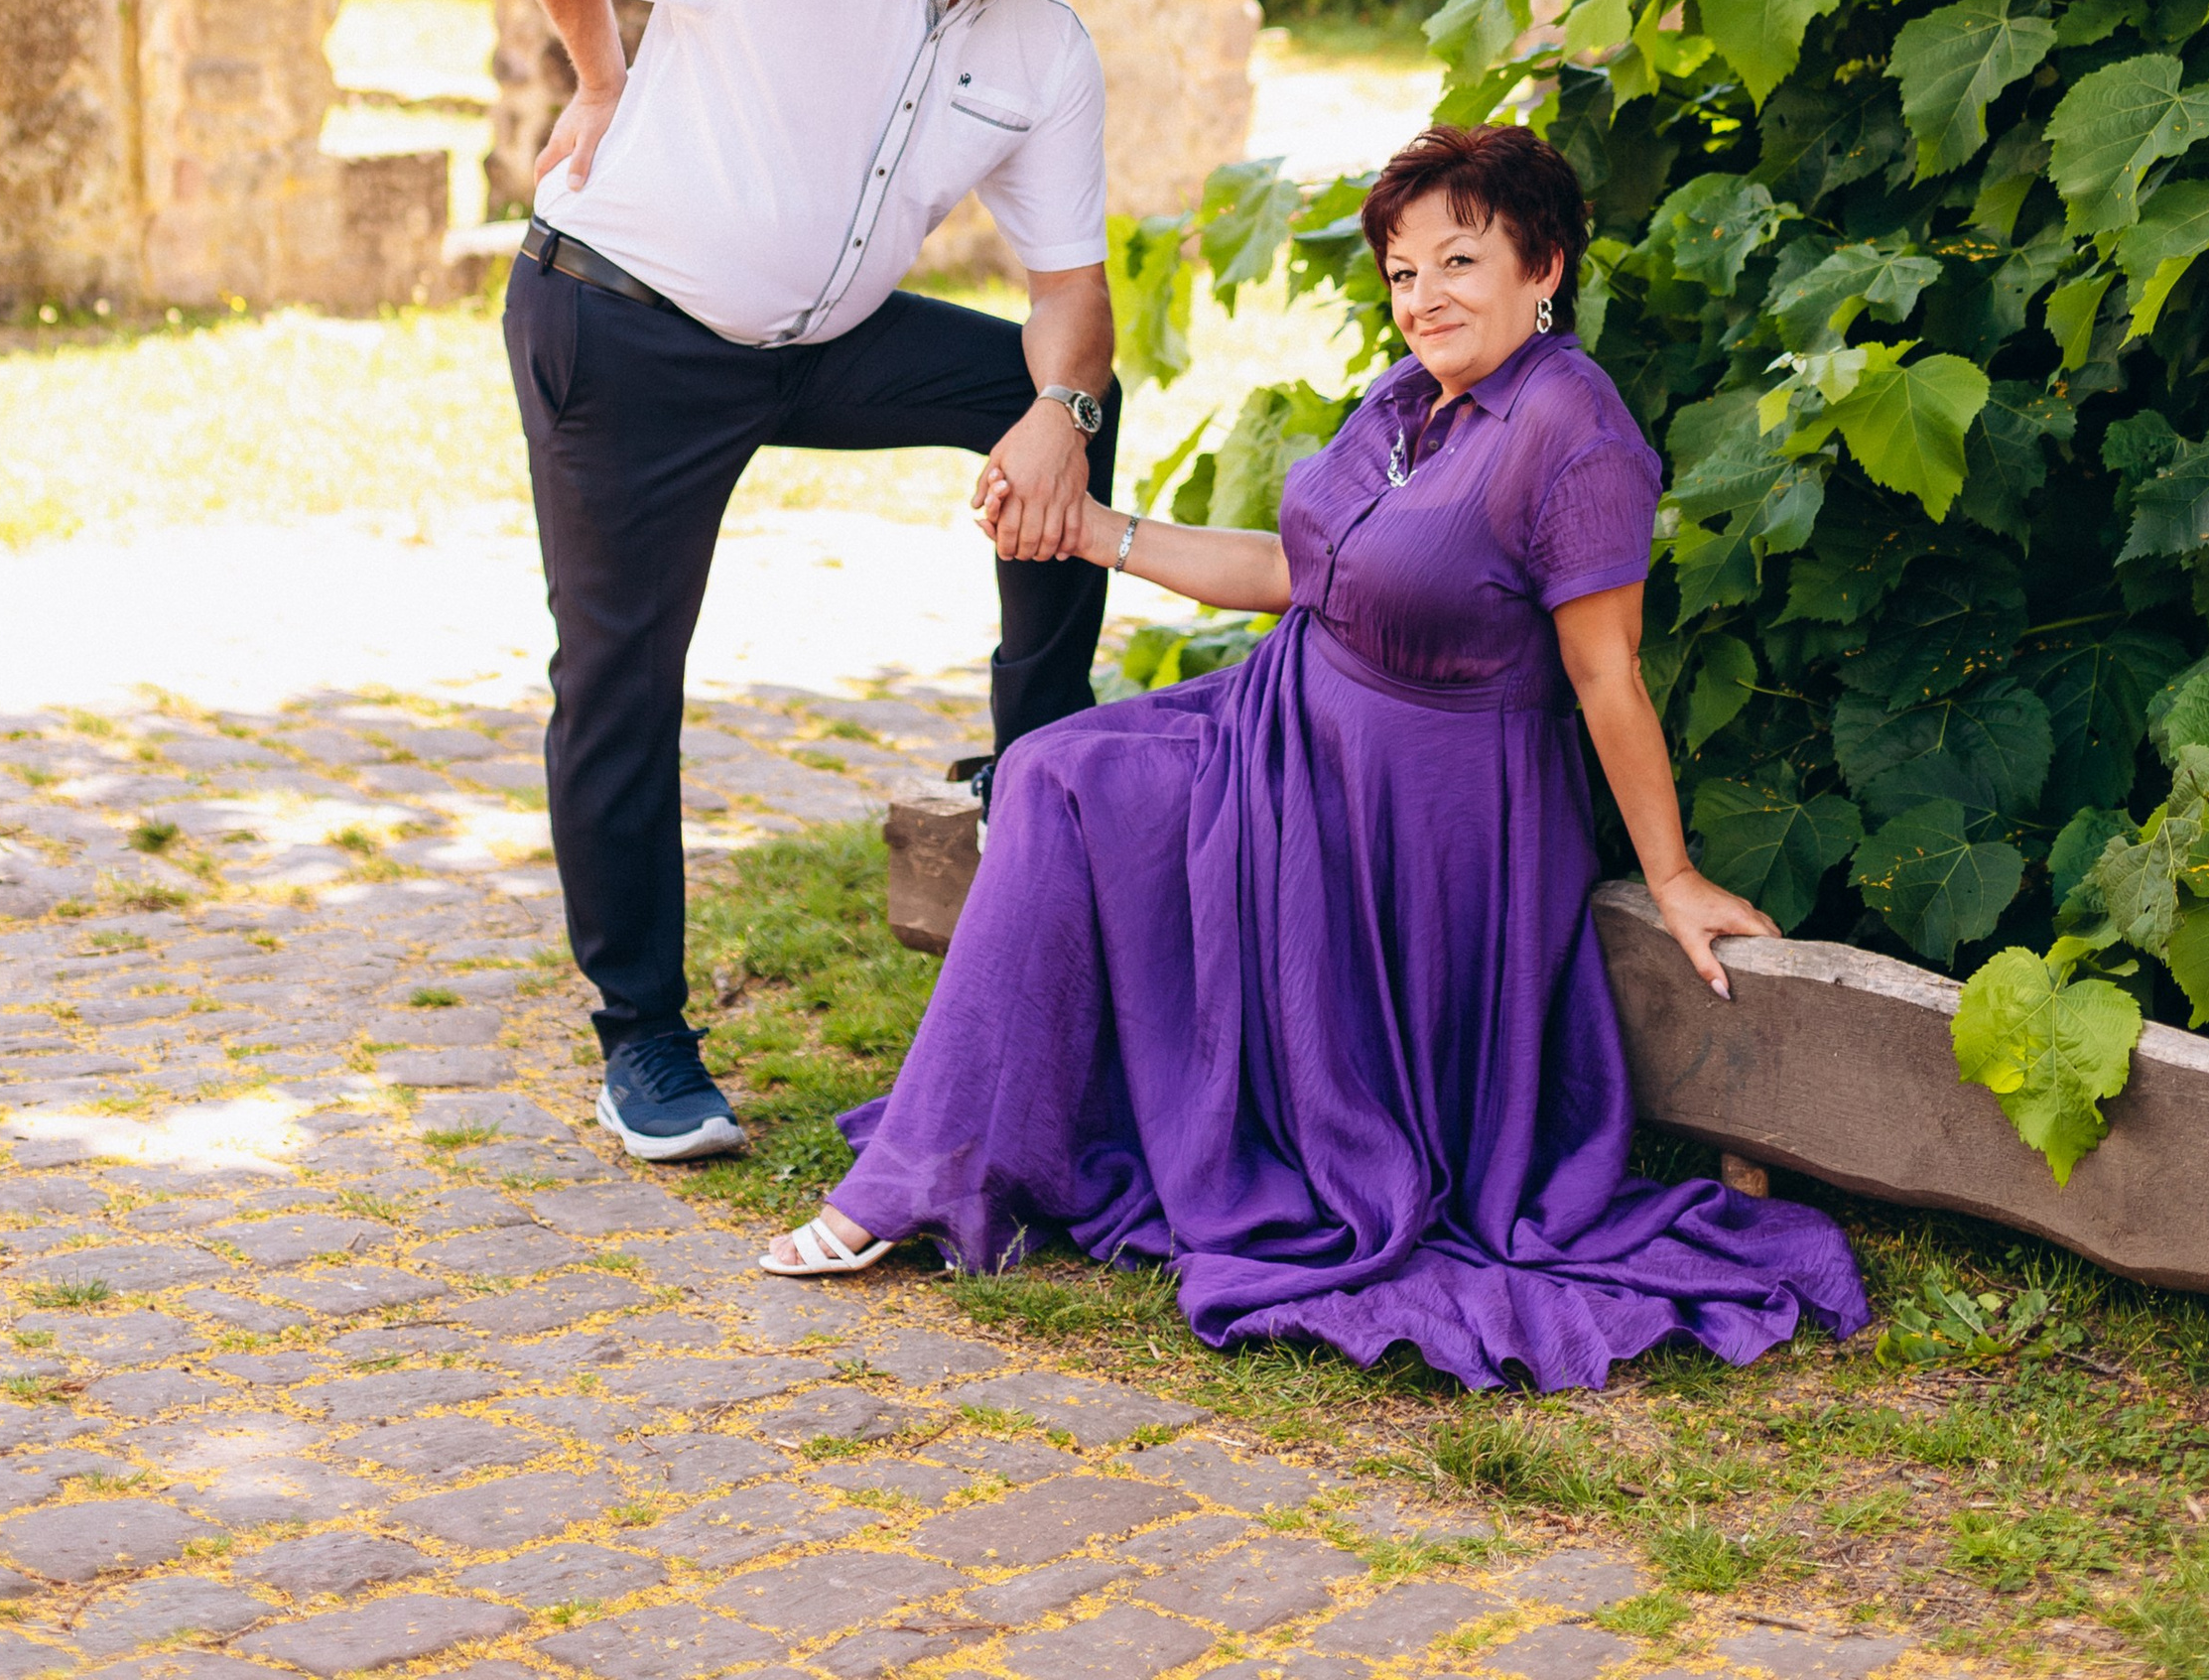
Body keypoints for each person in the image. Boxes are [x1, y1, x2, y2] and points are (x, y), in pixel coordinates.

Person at [764, 118, 1867, 1393]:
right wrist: (1095, 532)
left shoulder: (1575, 432)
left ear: (1544, 266)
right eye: (1402, 272)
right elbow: (1298, 572)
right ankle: (964, 1146)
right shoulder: (1411, 399)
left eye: (1457, 262)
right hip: (1281, 723)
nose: (1422, 297)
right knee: (1049, 767)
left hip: (1417, 812)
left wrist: (1668, 874)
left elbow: (1604, 672)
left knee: (1065, 779)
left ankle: (917, 1176)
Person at [501, 0, 1119, 1167]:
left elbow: (1071, 295)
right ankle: (642, 1038)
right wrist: (599, 74)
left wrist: (1058, 418)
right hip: (628, 329)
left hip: (816, 343)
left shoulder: (1046, 50)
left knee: (1056, 394)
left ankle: (1034, 755)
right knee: (620, 674)